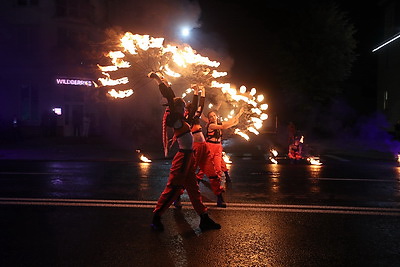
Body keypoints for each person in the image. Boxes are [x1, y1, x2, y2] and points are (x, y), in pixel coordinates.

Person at [147, 72, 221, 232]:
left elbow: (193, 106)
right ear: (177, 108)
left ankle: (204, 218)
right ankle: (156, 218)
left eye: (182, 107)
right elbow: (170, 98)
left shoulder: (183, 119)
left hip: (189, 158)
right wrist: (159, 80)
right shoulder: (176, 120)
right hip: (182, 159)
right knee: (173, 188)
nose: (184, 108)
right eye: (181, 107)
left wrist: (197, 92)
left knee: (194, 189)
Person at [178, 84, 228, 208]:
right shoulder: (186, 119)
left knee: (213, 174)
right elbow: (196, 105)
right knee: (189, 174)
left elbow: (200, 105)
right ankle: (177, 196)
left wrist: (202, 90)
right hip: (194, 150)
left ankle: (219, 197)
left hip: (204, 148)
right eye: (192, 109)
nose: (197, 111)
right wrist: (195, 91)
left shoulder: (195, 117)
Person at [202, 108, 244, 202]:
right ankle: (197, 180)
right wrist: (234, 122)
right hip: (210, 147)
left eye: (214, 115)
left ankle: (219, 189)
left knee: (218, 167)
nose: (213, 117)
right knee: (205, 165)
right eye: (211, 116)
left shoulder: (219, 124)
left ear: (217, 116)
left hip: (218, 147)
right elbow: (225, 126)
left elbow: (229, 122)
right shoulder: (211, 125)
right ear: (209, 119)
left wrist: (239, 114)